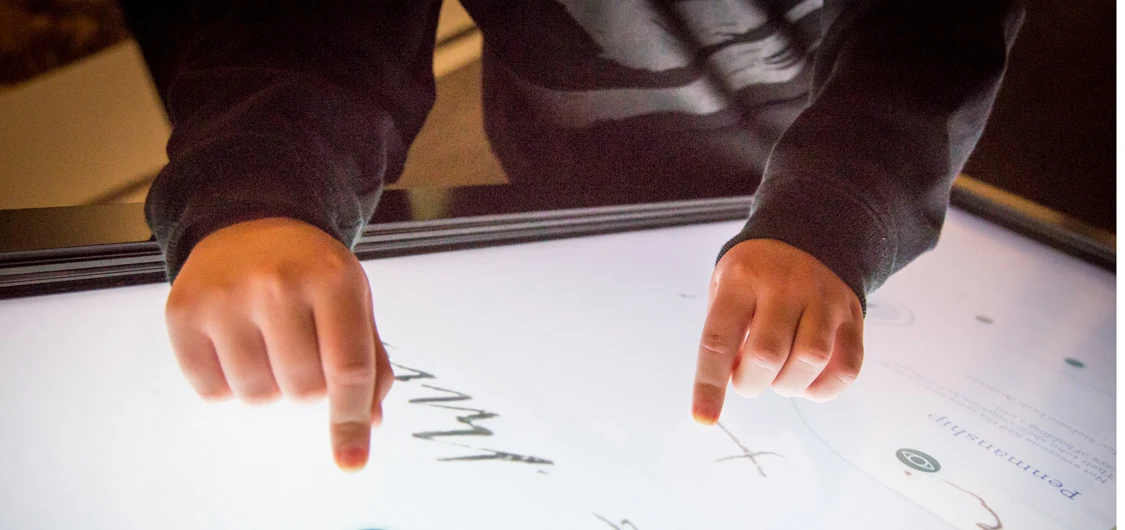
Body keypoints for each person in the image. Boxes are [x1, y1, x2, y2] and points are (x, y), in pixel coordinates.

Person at [119, 0, 1024, 471]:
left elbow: (933, 32)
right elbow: (313, 27)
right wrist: (262, 188)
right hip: (569, 191)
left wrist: (836, 212)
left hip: (830, 170)